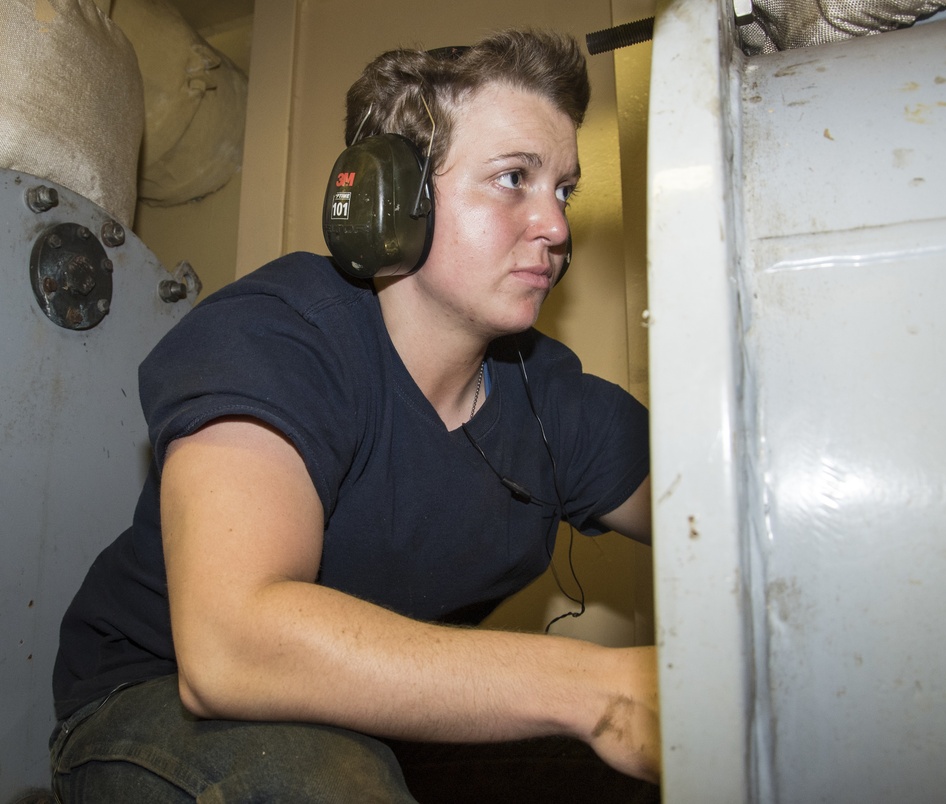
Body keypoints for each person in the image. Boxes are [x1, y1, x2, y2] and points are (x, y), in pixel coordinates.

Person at [49, 28, 659, 802]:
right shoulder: (275, 335)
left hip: (372, 728)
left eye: (562, 191)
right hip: (148, 703)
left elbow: (743, 518)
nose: (557, 227)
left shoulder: (555, 403)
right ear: (388, 202)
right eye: (514, 179)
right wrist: (597, 687)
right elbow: (233, 647)